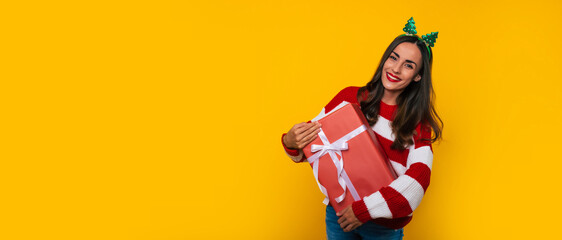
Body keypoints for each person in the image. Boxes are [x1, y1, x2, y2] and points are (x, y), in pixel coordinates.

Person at [281, 19, 442, 240]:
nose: (395, 68)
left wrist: (364, 210)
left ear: (417, 76)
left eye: (408, 65)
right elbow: (314, 147)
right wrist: (291, 142)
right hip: (339, 215)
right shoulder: (350, 98)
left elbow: (418, 181)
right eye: (393, 58)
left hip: (383, 227)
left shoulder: (418, 123)